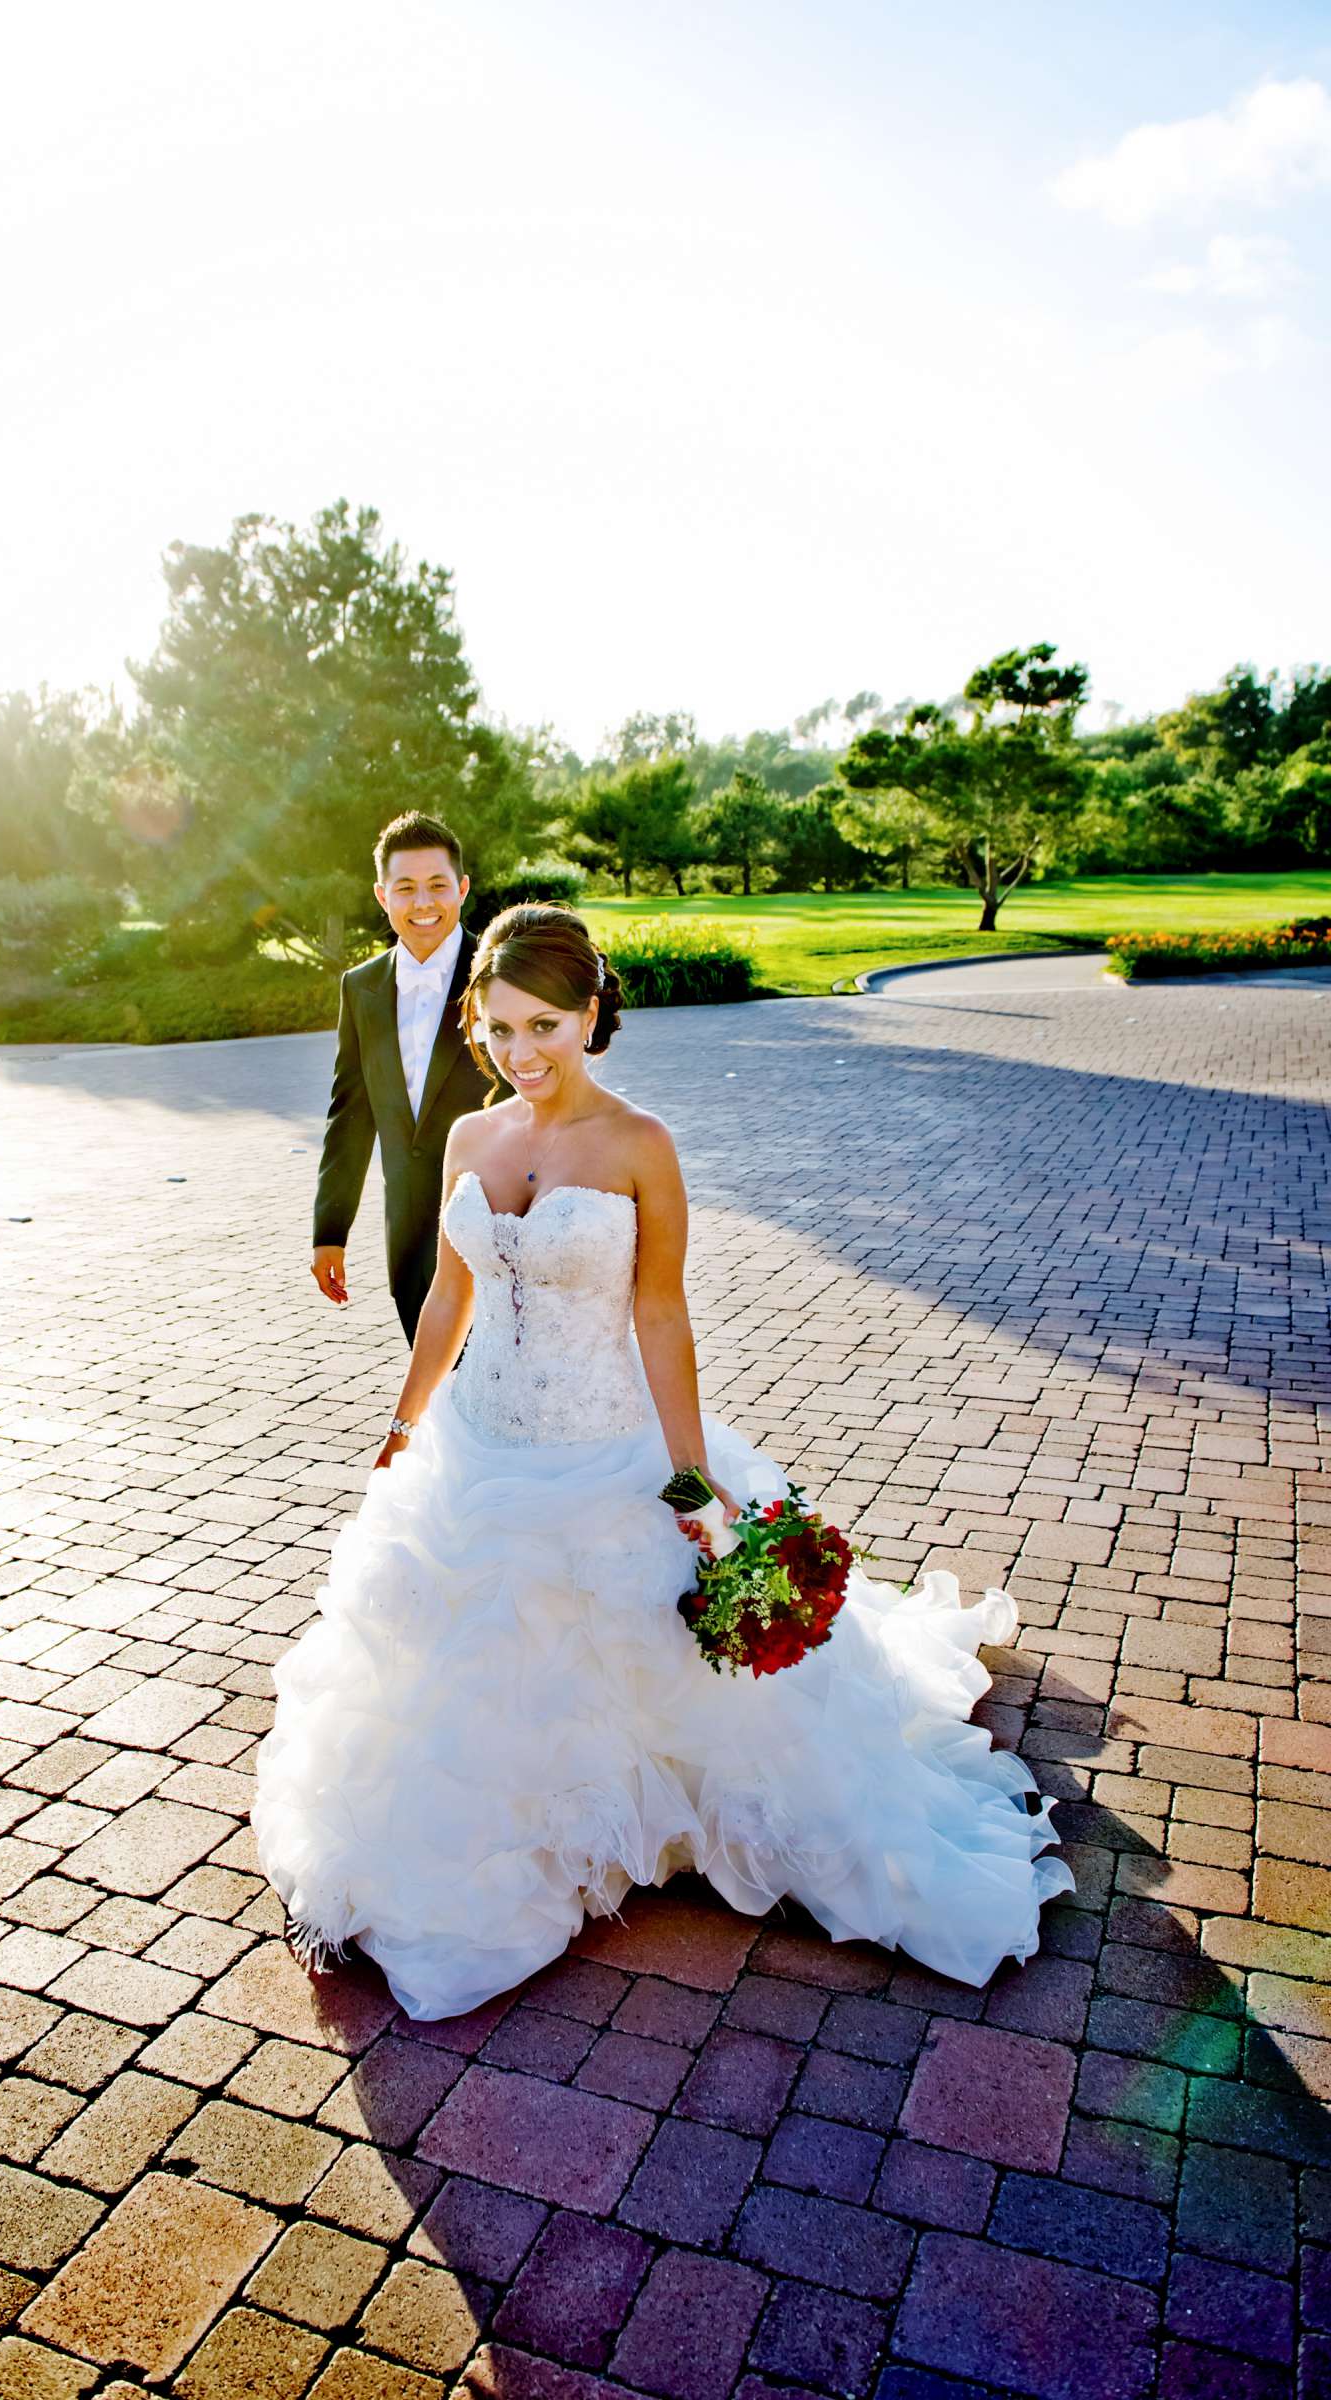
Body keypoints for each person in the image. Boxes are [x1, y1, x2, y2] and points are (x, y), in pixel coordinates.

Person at [256, 904, 1073, 2022]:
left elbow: (660, 1315)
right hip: (476, 1449)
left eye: (544, 1024)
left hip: (606, 1447)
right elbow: (451, 1293)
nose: (522, 1052)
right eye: (498, 1028)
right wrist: (406, 1421)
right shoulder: (469, 1139)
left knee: (645, 1661)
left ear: (591, 1015)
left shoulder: (641, 1145)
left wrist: (689, 1475)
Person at [310, 811, 498, 1344]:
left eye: (438, 886)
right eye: (406, 888)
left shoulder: (500, 974)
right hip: (411, 1233)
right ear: (382, 895)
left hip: (499, 1221)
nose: (423, 904)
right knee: (436, 1389)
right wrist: (330, 1230)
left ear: (462, 888)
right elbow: (349, 1113)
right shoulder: (361, 988)